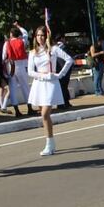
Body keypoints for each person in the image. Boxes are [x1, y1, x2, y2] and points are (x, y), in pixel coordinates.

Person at [27, 26, 74, 155]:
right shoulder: (32, 52)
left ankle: (49, 144)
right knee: (45, 116)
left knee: (45, 114)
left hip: (51, 83)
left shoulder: (54, 49)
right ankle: (50, 143)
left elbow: (69, 60)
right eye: (38, 35)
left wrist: (60, 74)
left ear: (47, 36)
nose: (40, 38)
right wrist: (42, 76)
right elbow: (30, 71)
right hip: (40, 84)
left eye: (42, 35)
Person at [2, 22, 33, 116]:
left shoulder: (7, 43)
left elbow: (3, 57)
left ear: (11, 34)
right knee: (25, 87)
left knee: (12, 89)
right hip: (21, 66)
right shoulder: (22, 41)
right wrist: (18, 26)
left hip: (10, 67)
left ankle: (17, 111)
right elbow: (25, 34)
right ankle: (29, 108)